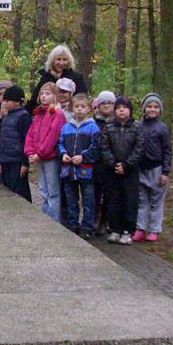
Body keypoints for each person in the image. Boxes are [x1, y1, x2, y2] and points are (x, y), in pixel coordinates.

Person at [101, 96, 144, 245]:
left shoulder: (137, 127)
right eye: (118, 108)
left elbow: (139, 149)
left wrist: (126, 165)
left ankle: (128, 230)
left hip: (130, 170)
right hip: (112, 170)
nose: (121, 111)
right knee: (114, 200)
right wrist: (113, 164)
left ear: (130, 111)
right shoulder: (109, 127)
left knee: (129, 201)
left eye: (124, 108)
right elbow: (104, 147)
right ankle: (115, 229)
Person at [58, 93, 103, 237]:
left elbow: (96, 147)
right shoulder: (66, 127)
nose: (79, 110)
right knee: (71, 199)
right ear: (72, 108)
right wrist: (63, 153)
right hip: (69, 170)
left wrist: (83, 157)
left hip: (86, 170)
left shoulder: (93, 128)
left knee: (88, 201)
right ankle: (73, 225)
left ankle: (87, 228)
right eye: (76, 106)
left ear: (88, 108)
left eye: (82, 107)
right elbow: (60, 143)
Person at [24, 82, 66, 222]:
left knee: (53, 189)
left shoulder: (57, 114)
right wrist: (30, 152)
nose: (43, 96)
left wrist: (40, 153)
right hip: (38, 157)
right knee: (43, 188)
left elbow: (52, 136)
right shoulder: (39, 114)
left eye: (47, 93)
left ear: (54, 96)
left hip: (50, 157)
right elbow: (31, 134)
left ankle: (53, 219)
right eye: (42, 93)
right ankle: (45, 214)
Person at [134, 93, 172, 242]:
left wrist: (165, 172)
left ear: (160, 110)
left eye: (156, 107)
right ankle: (140, 228)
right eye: (149, 106)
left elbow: (168, 151)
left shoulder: (163, 128)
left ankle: (155, 229)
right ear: (144, 108)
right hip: (141, 168)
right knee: (142, 200)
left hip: (157, 168)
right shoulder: (138, 126)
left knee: (156, 201)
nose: (152, 109)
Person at [0, 85, 32, 202]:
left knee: (20, 190)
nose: (5, 103)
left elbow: (25, 141)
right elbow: (2, 139)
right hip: (6, 159)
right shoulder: (7, 116)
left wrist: (25, 163)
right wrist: (0, 160)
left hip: (17, 161)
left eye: (8, 100)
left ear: (17, 102)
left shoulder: (23, 117)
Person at [28, 44, 88, 113]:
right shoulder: (46, 76)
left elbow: (82, 98)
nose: (61, 63)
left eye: (64, 60)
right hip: (46, 113)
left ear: (69, 61)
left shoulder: (76, 78)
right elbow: (36, 97)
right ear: (53, 60)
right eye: (58, 59)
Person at [92, 90, 116, 236]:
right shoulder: (94, 123)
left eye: (109, 103)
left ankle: (104, 222)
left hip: (111, 164)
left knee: (109, 195)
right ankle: (94, 218)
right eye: (103, 103)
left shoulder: (117, 123)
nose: (106, 105)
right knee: (94, 194)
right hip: (96, 163)